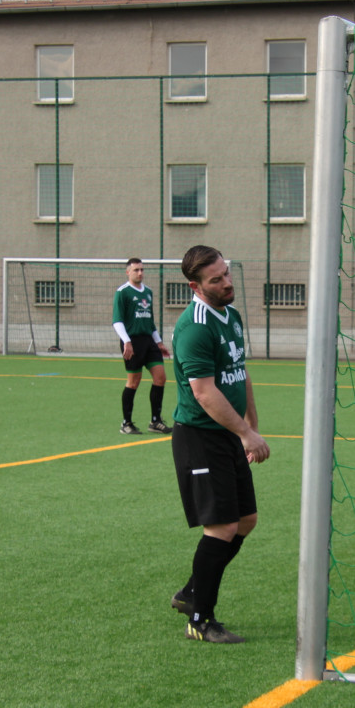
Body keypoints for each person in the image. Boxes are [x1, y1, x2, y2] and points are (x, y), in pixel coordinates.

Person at [167, 245, 270, 644]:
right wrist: (246, 434)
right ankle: (200, 618)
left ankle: (192, 591)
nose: (227, 282)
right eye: (216, 279)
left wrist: (251, 425)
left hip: (229, 432)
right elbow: (205, 393)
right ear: (195, 285)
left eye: (226, 273)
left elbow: (239, 372)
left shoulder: (232, 315)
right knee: (223, 525)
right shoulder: (193, 327)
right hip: (200, 437)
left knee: (245, 520)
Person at [113, 257, 171, 435]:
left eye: (142, 270)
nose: (140, 273)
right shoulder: (122, 292)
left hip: (149, 341)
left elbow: (150, 321)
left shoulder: (148, 292)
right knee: (133, 382)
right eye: (136, 270)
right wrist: (127, 342)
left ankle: (155, 421)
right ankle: (126, 423)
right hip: (132, 341)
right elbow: (117, 321)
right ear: (128, 272)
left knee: (160, 377)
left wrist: (159, 341)